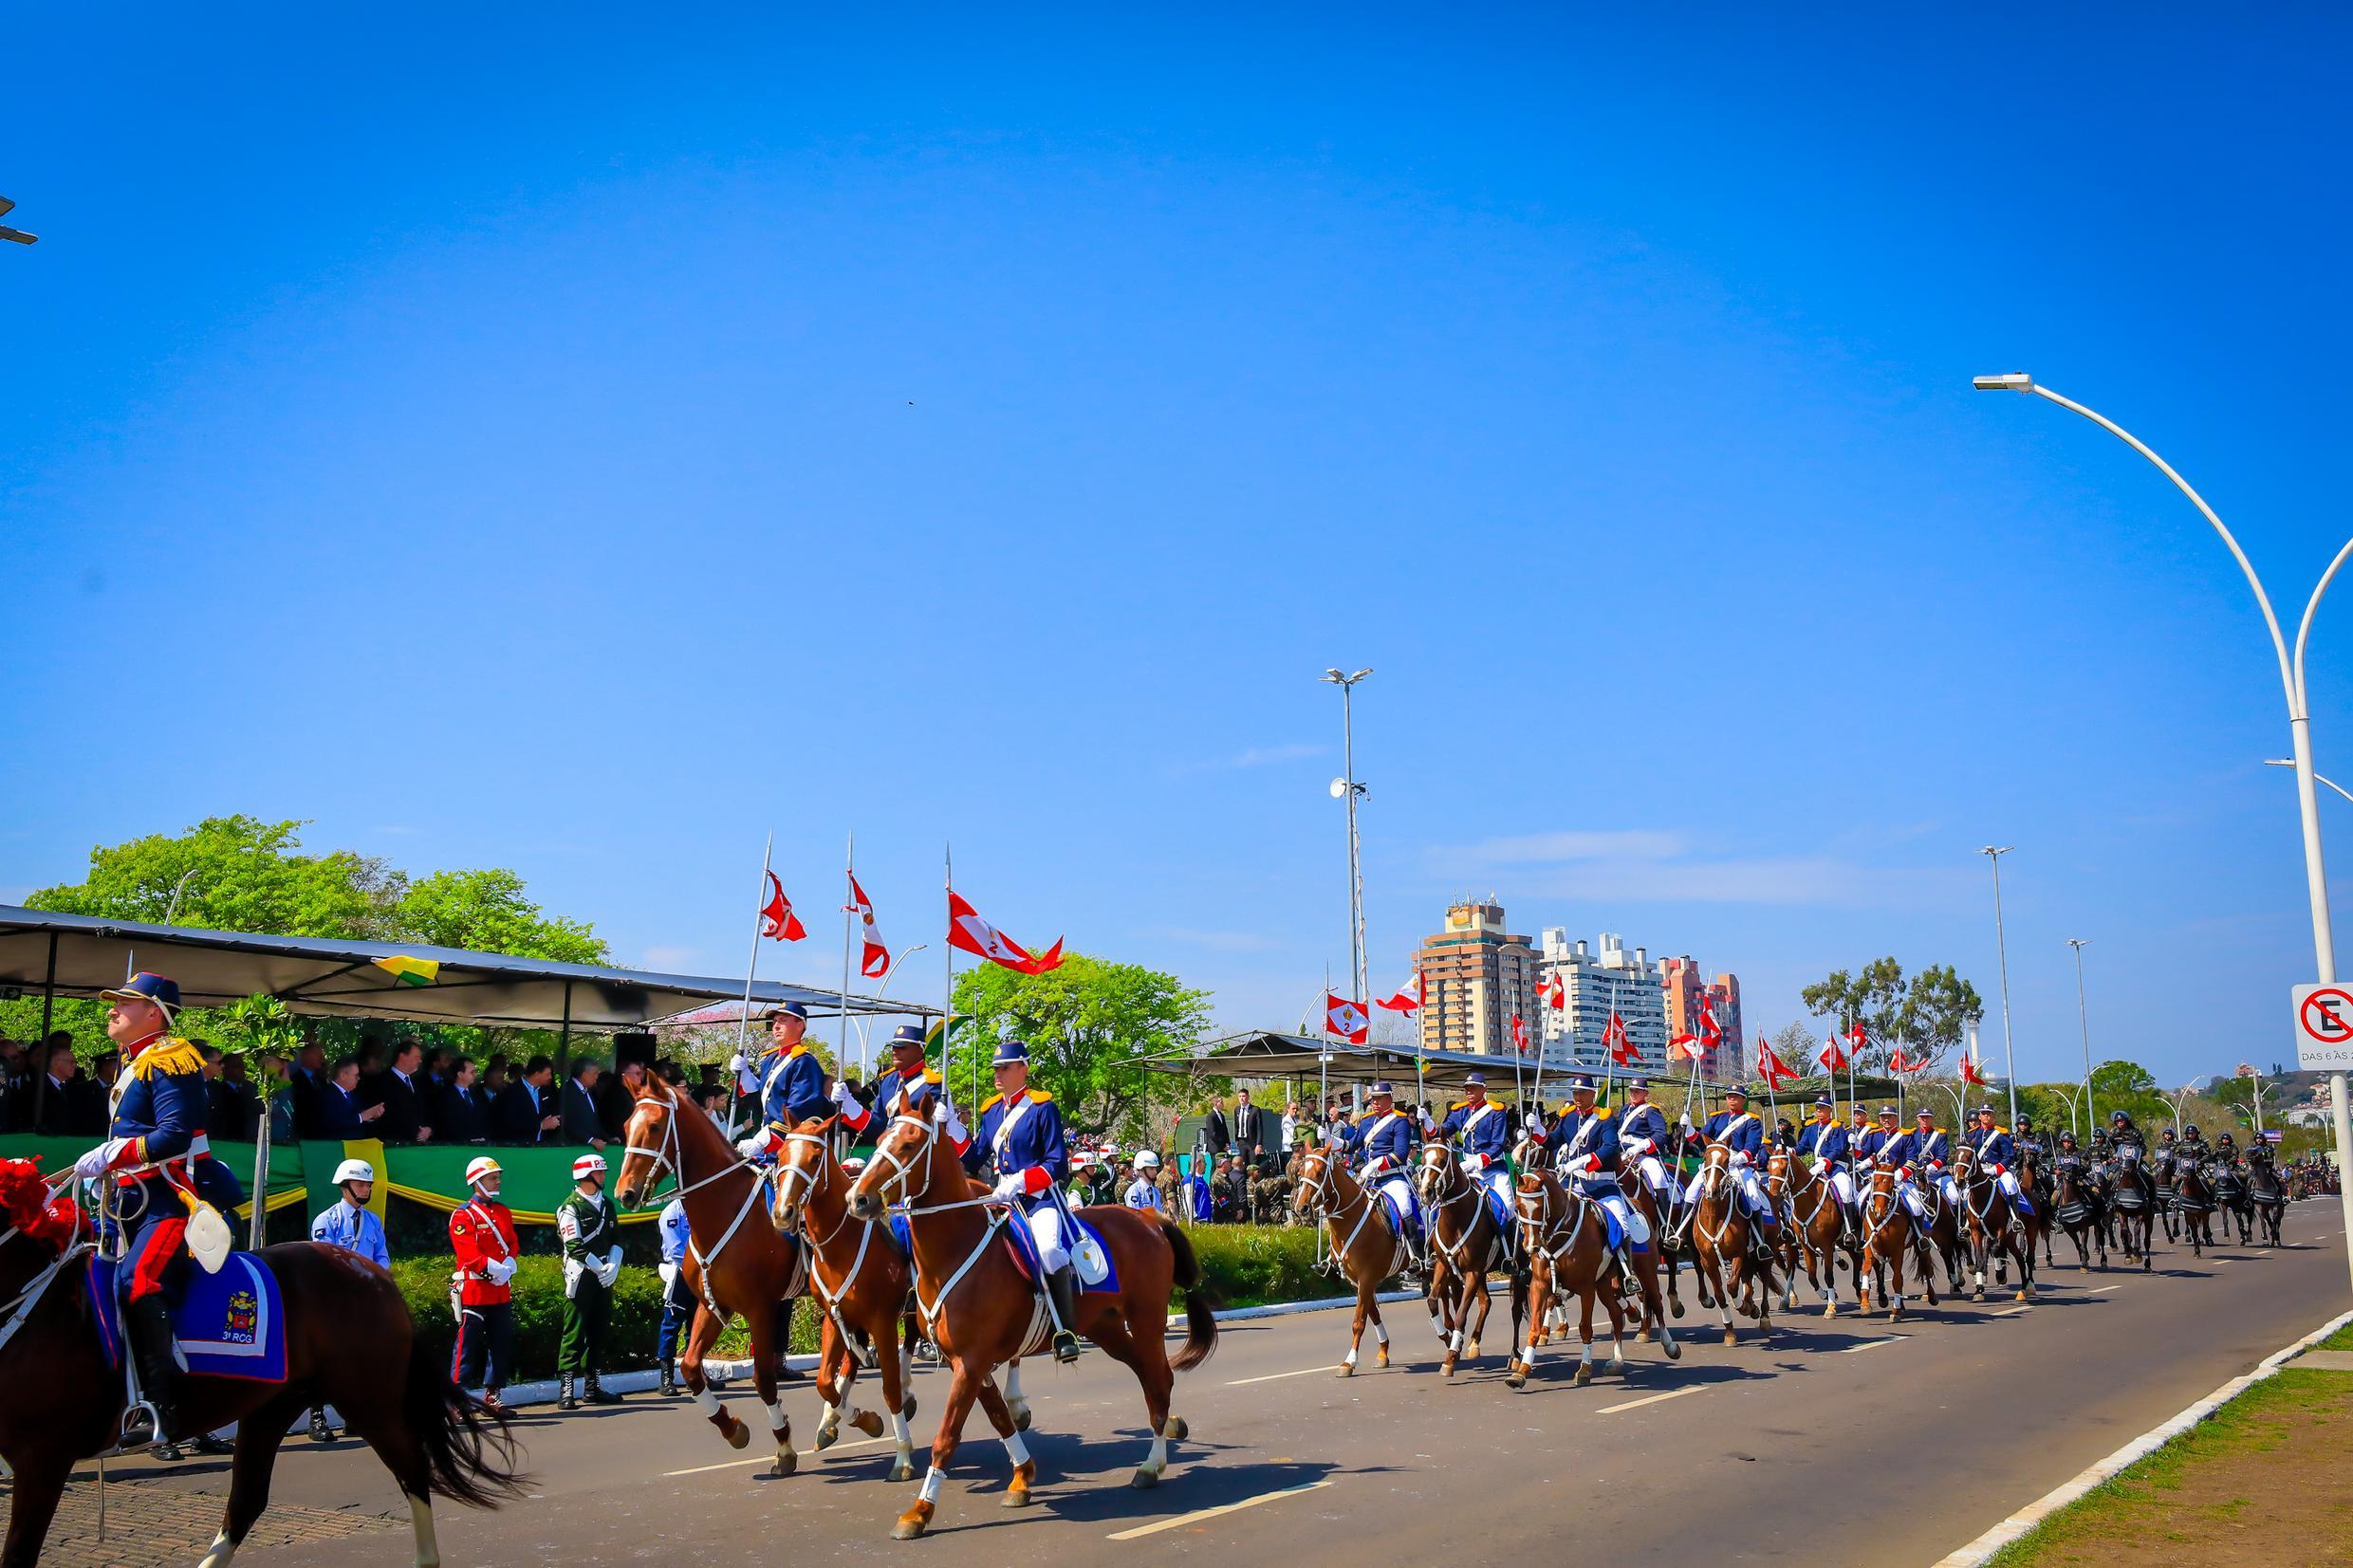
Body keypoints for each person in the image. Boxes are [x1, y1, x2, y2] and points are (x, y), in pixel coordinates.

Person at [71, 972, 245, 1449]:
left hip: (167, 1200)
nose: (112, 1010)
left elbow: (174, 1136)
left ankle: (160, 1407)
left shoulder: (172, 1060)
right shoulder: (136, 1062)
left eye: (124, 1003)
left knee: (138, 1281)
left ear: (155, 1013)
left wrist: (115, 1154)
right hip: (124, 1203)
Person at [972, 1039, 1083, 1360]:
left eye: (1005, 1068)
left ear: (1024, 1068)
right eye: (996, 1068)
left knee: (1049, 1251)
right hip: (1000, 1199)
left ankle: (1065, 1330)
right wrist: (948, 1126)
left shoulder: (1041, 1107)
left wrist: (1021, 1180)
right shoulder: (991, 1112)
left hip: (1037, 1199)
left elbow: (1057, 1164)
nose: (998, 1074)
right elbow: (972, 1156)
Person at [306, 1157, 390, 1441]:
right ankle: (317, 1419)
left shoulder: (373, 1221)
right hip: (334, 1301)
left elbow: (382, 1255)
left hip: (364, 1299)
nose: (365, 1188)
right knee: (324, 1360)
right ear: (345, 1186)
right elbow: (323, 1261)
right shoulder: (326, 1220)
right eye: (360, 1183)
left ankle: (355, 1416)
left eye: (368, 1184)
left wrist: (378, 1278)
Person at [1548, 1075, 1643, 1263]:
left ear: (1592, 1094)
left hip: (1600, 1184)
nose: (1577, 1097)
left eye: (1582, 1093)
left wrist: (1584, 1160)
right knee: (1543, 1213)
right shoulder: (1568, 1117)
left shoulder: (1605, 1119)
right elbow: (1552, 1141)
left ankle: (1624, 1270)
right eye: (1575, 1092)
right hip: (1570, 1183)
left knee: (1621, 1223)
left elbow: (1610, 1147)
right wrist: (1536, 1132)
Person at [450, 1156, 519, 1413]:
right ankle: (457, 1399)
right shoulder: (463, 1215)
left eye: (498, 1176)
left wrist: (510, 1263)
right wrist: (493, 1268)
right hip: (475, 1291)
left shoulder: (503, 1211)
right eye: (492, 1177)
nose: (498, 1180)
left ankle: (493, 1395)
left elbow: (512, 1242)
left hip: (500, 1290)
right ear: (477, 1181)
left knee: (500, 1344)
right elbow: (467, 1252)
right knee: (466, 1347)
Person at [557, 1152, 625, 1408]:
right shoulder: (570, 1207)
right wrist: (600, 1268)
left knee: (599, 1331)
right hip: (582, 1276)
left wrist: (614, 1266)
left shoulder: (606, 1204)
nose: (603, 1176)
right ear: (585, 1176)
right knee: (574, 1332)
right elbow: (574, 1246)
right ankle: (566, 1389)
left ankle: (593, 1387)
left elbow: (617, 1238)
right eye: (599, 1172)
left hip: (604, 1275)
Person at [1681, 1087, 1778, 1255]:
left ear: (1743, 1100)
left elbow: (1753, 1146)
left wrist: (1740, 1157)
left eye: (1736, 1097)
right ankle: (1681, 1234)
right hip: (1715, 1163)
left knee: (1753, 1196)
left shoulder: (1751, 1121)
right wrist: (1688, 1128)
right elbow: (1701, 1139)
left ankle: (1759, 1241)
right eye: (1729, 1097)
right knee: (1690, 1192)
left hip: (1737, 1164)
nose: (1732, 1100)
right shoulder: (1717, 1118)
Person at [1345, 1080, 1422, 1268]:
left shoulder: (1400, 1121)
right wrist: (1331, 1139)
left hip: (1392, 1177)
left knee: (1404, 1207)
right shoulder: (1366, 1121)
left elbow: (1401, 1154)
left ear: (1390, 1099)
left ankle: (1416, 1256)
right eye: (1373, 1099)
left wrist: (1377, 1164)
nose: (1375, 1103)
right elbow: (1351, 1145)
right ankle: (1336, 1257)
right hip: (1370, 1180)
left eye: (1379, 1099)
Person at [1436, 1072, 1515, 1236]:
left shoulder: (1496, 1112)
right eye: (1467, 1089)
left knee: (1508, 1209)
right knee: (1437, 1205)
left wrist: (1477, 1161)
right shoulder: (1460, 1112)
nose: (1469, 1092)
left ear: (1483, 1089)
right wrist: (1428, 1124)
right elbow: (1443, 1131)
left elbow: (1498, 1144)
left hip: (1493, 1171)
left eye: (1473, 1088)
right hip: (1468, 1173)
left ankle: (1511, 1254)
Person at [733, 1001, 828, 1136]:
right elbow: (763, 1096)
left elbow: (800, 1108)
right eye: (774, 1022)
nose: (776, 1026)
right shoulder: (770, 1060)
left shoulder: (804, 1062)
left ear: (800, 1025)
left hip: (788, 1141)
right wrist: (744, 1073)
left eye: (783, 1021)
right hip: (765, 1138)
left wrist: (770, 1136)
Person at [1964, 1105, 2036, 1217]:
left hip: (1998, 1170)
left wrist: (1994, 1170)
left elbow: (2008, 1156)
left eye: (1989, 1113)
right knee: (1964, 1193)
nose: (1986, 1115)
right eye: (1983, 1113)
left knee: (2010, 1186)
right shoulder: (1972, 1134)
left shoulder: (2001, 1133)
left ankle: (2014, 1218)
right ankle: (1966, 1224)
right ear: (1980, 1116)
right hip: (1978, 1170)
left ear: (1993, 1116)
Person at [656, 1193, 693, 1396]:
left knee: (695, 1327)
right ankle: (666, 1378)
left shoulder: (697, 1209)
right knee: (671, 1325)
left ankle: (695, 1374)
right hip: (678, 1273)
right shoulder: (672, 1213)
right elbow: (675, 1249)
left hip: (698, 1273)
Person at [1793, 1095, 1854, 1218]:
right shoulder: (1811, 1128)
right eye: (1818, 1107)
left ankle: (1850, 1229)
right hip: (1816, 1167)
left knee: (1846, 1189)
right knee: (1800, 1189)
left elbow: (1837, 1149)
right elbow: (1803, 1147)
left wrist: (1825, 1162)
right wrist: (1791, 1150)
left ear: (1830, 1110)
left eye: (1823, 1107)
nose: (1819, 1110)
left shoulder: (1837, 1128)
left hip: (1835, 1167)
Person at [373, 1041, 434, 1144]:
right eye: (416, 1057)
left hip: (418, 1147)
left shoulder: (418, 1082)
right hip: (393, 1147)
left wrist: (429, 1130)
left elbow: (426, 1111)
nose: (420, 1061)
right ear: (402, 1056)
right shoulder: (382, 1081)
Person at [494, 1055, 563, 1145]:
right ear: (536, 1073)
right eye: (548, 1074)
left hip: (543, 1147)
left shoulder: (546, 1091)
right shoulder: (511, 1092)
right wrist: (541, 1125)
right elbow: (509, 1122)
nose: (550, 1077)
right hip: (518, 1148)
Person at [317, 1057, 382, 1139]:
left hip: (357, 1147)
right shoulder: (326, 1095)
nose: (358, 1078)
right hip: (336, 1148)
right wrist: (361, 1117)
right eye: (356, 1075)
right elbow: (332, 1123)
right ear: (343, 1075)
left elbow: (360, 1120)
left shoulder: (354, 1095)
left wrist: (371, 1116)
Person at [437, 1057, 491, 1144]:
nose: (475, 1075)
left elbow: (483, 1119)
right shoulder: (445, 1096)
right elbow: (447, 1125)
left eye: (475, 1072)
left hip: (479, 1147)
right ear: (460, 1074)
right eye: (471, 1072)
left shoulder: (478, 1094)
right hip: (457, 1147)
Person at [562, 1059, 609, 1151]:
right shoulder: (568, 1091)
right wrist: (590, 1140)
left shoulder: (587, 1091)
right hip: (574, 1149)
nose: (597, 1077)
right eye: (595, 1073)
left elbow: (593, 1121)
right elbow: (568, 1122)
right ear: (584, 1074)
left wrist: (608, 1138)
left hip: (591, 1148)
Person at [1232, 1090, 1268, 1171]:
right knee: (1242, 1164)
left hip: (1252, 1142)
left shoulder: (1255, 1109)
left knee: (1253, 1165)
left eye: (1244, 1096)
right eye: (1240, 1096)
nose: (1242, 1098)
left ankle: (1253, 1182)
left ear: (1248, 1097)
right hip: (1242, 1141)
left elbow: (1259, 1127)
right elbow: (1236, 1125)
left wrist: (1259, 1144)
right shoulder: (1237, 1110)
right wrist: (1237, 1140)